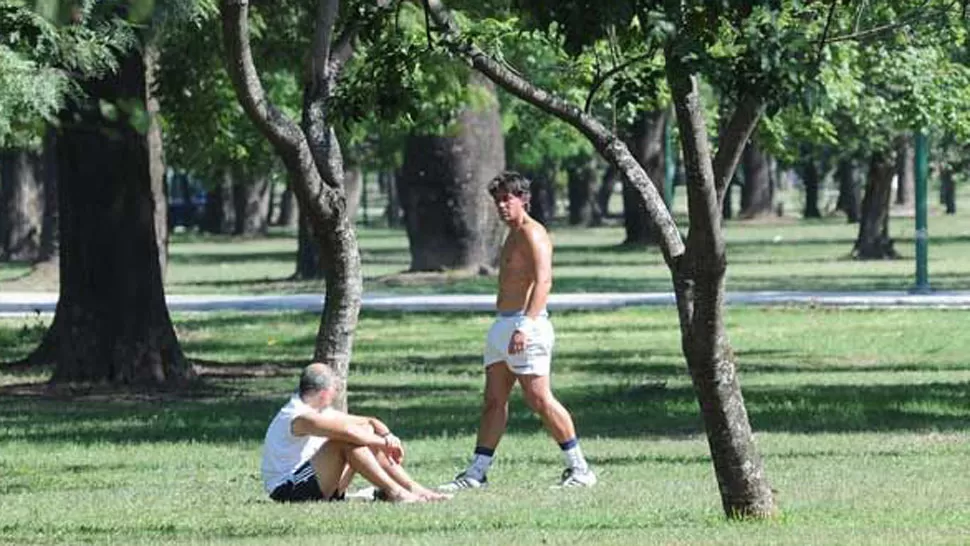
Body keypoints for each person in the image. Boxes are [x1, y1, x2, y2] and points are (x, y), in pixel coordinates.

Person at [440, 171, 596, 491]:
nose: (501, 205)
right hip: (503, 325)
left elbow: (544, 281)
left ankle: (580, 469)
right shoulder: (510, 235)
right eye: (497, 200)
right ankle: (477, 473)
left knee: (538, 398)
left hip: (528, 325)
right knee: (494, 401)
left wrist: (525, 325)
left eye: (507, 198)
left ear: (523, 199)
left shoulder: (533, 233)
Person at [261, 363, 450, 503]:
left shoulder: (319, 411)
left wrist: (388, 435)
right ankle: (395, 492)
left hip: (317, 483)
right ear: (325, 393)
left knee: (363, 433)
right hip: (288, 490)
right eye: (336, 390)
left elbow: (370, 422)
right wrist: (386, 444)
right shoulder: (299, 415)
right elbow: (348, 432)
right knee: (344, 441)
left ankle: (413, 488)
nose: (336, 395)